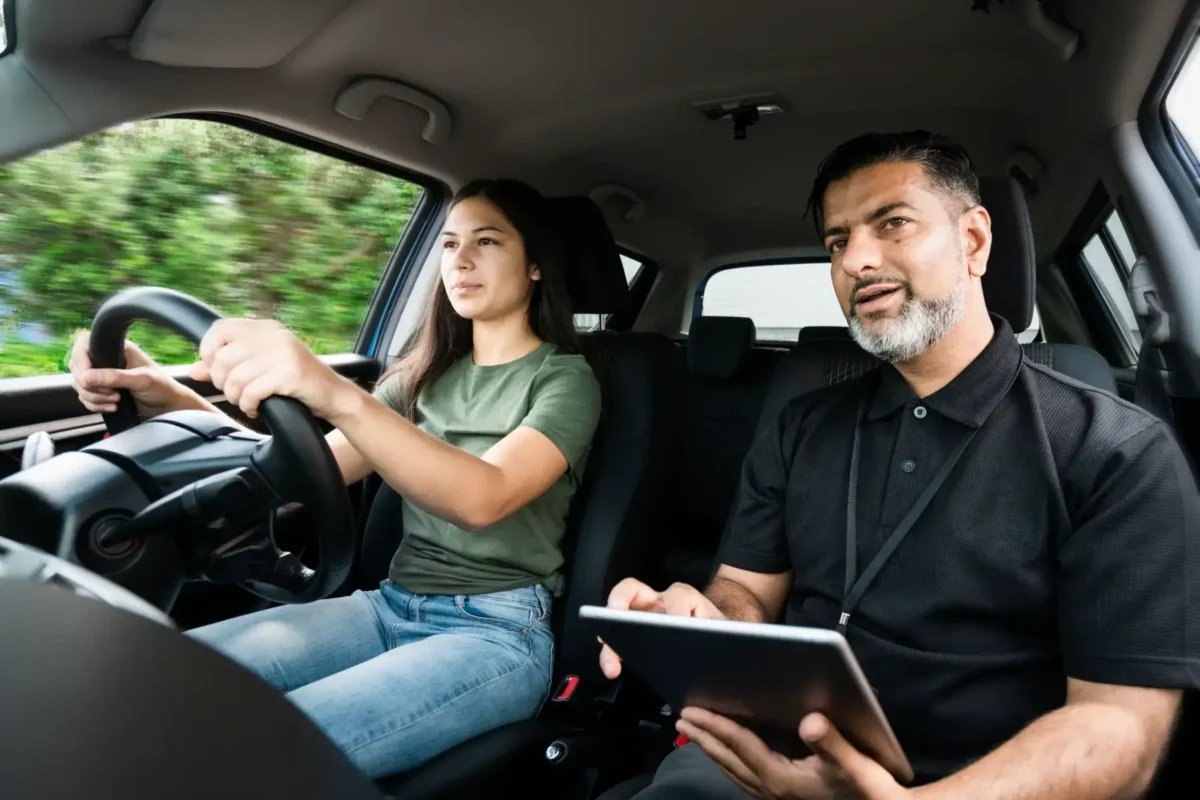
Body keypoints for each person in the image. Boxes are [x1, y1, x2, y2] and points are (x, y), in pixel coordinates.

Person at [601, 132, 1200, 799]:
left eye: (892, 224)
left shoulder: (1115, 450)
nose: (856, 259)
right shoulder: (801, 425)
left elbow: (1118, 726)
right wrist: (697, 621)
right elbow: (744, 592)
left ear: (973, 242)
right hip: (768, 763)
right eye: (835, 243)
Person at [68, 179, 602, 779]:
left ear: (534, 266)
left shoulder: (564, 380)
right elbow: (297, 473)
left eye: (487, 241)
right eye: (449, 244)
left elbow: (485, 498)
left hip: (497, 632)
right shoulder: (421, 377)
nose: (461, 260)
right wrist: (165, 397)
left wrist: (333, 391)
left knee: (251, 751)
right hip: (387, 607)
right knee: (158, 680)